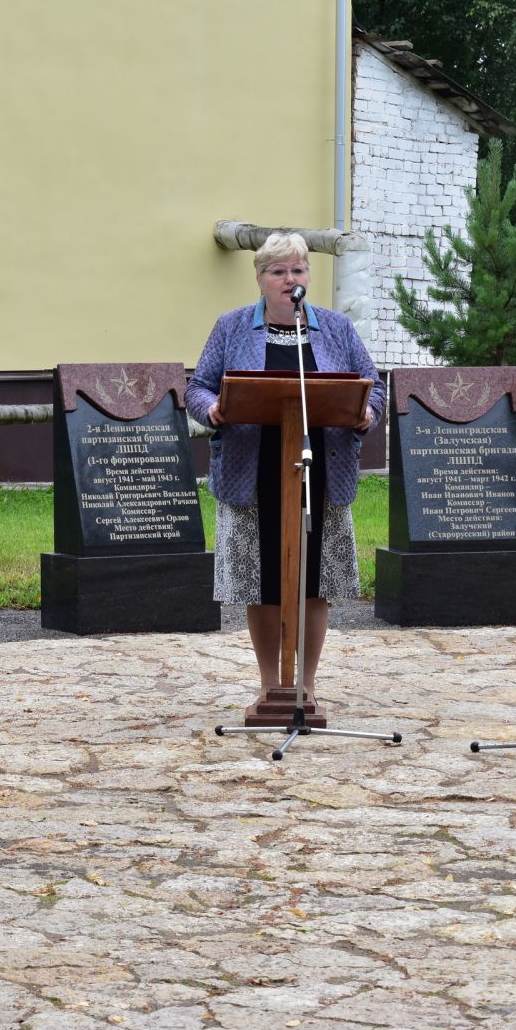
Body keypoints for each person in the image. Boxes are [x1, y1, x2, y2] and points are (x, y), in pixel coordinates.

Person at [186, 232, 386, 695]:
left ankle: (307, 686)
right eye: (278, 271)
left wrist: (366, 412)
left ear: (307, 278)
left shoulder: (335, 328)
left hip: (320, 467)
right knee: (262, 580)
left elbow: (372, 385)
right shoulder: (232, 326)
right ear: (260, 279)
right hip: (251, 471)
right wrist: (212, 408)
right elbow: (198, 387)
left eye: (297, 270)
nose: (289, 279)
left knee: (314, 580)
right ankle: (271, 685)